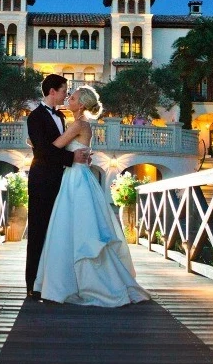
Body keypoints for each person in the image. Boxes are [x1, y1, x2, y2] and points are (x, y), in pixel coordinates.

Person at [34, 85, 150, 307]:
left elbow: (54, 147)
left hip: (75, 178)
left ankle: (76, 283)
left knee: (73, 225)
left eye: (74, 97)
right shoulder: (82, 124)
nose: (69, 98)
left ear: (82, 105)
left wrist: (36, 145)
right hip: (78, 174)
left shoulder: (78, 124)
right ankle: (74, 280)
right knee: (76, 225)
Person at [25, 74, 90, 298]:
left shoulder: (62, 118)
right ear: (52, 91)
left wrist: (77, 156)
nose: (65, 94)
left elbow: (62, 147)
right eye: (64, 90)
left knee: (56, 231)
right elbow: (42, 152)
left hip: (62, 181)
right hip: (41, 179)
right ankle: (32, 283)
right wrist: (72, 159)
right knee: (38, 229)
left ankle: (51, 281)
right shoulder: (34, 117)